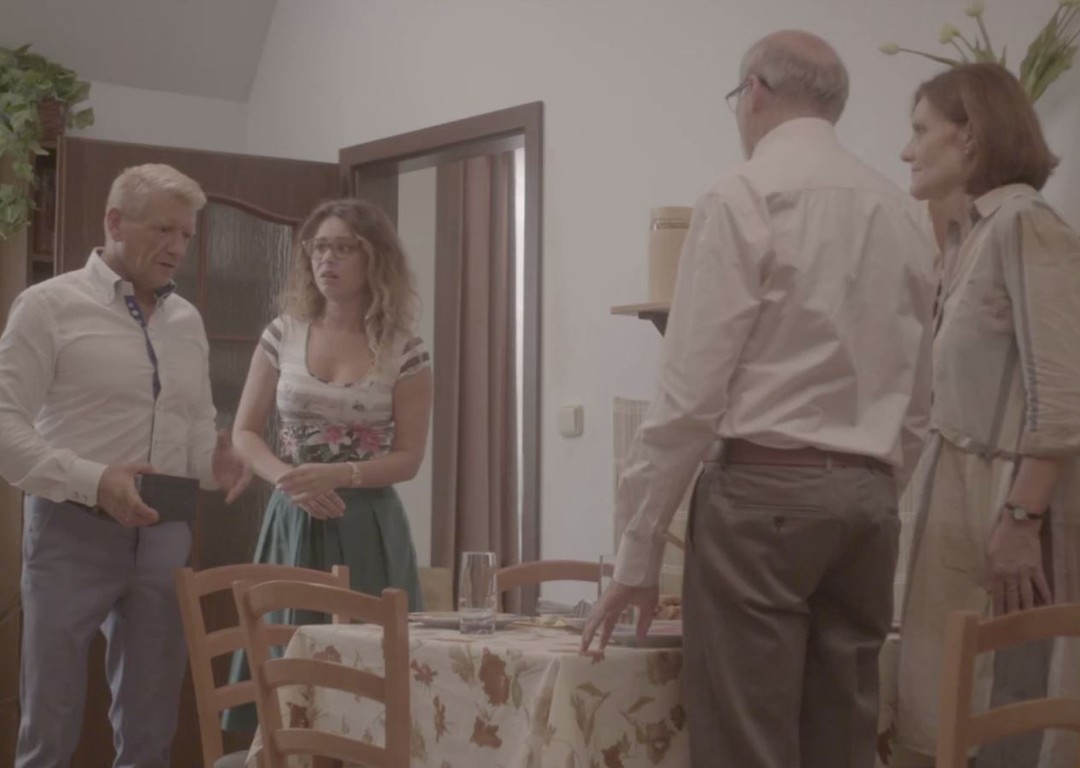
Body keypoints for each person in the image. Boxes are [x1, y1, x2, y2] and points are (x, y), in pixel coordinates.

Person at [581, 30, 937, 768]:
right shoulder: (903, 212)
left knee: (747, 740)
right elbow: (917, 387)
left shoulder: (742, 195)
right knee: (843, 738)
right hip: (870, 500)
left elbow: (690, 395)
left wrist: (637, 550)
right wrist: (876, 484)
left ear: (754, 93)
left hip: (764, 496)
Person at [0, 163, 251, 768]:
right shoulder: (48, 306)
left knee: (152, 722)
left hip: (165, 533)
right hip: (70, 529)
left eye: (186, 235)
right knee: (51, 719)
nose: (177, 247)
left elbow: (195, 427)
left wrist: (216, 465)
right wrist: (96, 481)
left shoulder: (187, 320)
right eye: (163, 229)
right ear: (115, 222)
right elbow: (4, 425)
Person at [892, 63, 1080, 768]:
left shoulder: (1026, 225)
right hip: (960, 494)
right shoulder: (970, 234)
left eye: (921, 131)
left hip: (1009, 504)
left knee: (1007, 716)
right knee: (947, 712)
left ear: (970, 136)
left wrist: (1023, 521)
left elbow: (1065, 391)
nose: (907, 150)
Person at [223, 198, 431, 726]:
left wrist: (339, 474)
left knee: (371, 681)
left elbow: (409, 458)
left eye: (343, 248)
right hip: (292, 515)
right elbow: (244, 432)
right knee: (284, 667)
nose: (327, 260)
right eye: (319, 248)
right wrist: (289, 481)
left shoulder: (405, 349)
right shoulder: (283, 333)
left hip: (368, 522)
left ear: (374, 258)